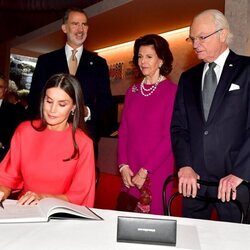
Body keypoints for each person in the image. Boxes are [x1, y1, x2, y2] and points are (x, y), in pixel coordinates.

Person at [171, 9, 250, 223]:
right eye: (192, 38)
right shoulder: (188, 78)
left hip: (234, 183)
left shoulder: (247, 70)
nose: (196, 44)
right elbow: (179, 127)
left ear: (222, 34)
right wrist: (185, 165)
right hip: (194, 184)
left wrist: (241, 173)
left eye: (202, 37)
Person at [0, 73, 95, 206]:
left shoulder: (83, 142)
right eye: (49, 101)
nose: (52, 110)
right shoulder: (25, 131)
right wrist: (2, 192)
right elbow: (7, 177)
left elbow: (80, 195)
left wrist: (42, 198)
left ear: (74, 107)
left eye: (62, 104)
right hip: (25, 210)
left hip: (62, 216)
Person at [28, 7, 113, 145]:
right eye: (75, 24)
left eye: (84, 24)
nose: (80, 29)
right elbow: (35, 98)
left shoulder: (99, 63)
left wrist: (87, 111)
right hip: (49, 136)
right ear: (64, 28)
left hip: (83, 136)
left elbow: (106, 101)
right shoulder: (46, 61)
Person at [118, 34, 177, 215]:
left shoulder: (172, 92)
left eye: (149, 57)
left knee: (153, 227)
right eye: (140, 56)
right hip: (130, 170)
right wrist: (123, 165)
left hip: (156, 170)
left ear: (161, 60)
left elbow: (169, 137)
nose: (143, 61)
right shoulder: (132, 91)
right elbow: (124, 131)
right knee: (127, 223)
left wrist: (145, 171)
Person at [0, 75, 25, 161]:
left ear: (5, 90)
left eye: (0, 87)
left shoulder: (13, 111)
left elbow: (15, 134)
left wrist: (3, 144)